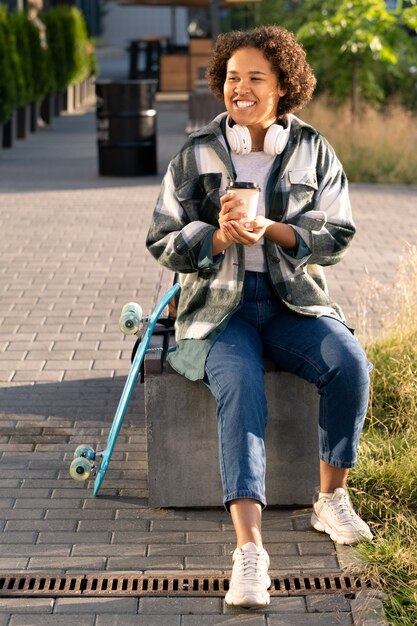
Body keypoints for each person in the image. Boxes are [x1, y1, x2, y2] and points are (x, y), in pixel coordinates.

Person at [146, 25, 373, 609]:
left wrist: (272, 229)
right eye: (231, 78)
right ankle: (250, 553)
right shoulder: (195, 151)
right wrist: (217, 238)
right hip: (220, 312)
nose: (239, 89)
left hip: (292, 302)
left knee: (349, 363)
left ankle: (331, 500)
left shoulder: (312, 149)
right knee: (242, 385)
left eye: (255, 79)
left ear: (283, 88)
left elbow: (340, 233)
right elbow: (162, 239)